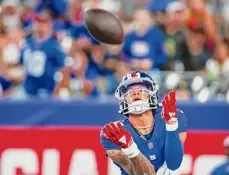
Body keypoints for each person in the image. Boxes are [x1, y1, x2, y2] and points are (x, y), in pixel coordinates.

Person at [100, 71, 188, 174]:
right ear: (123, 98)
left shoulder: (173, 116)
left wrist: (171, 124)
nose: (135, 92)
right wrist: (130, 149)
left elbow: (174, 164)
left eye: (141, 88)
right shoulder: (115, 133)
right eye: (129, 90)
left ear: (152, 94)